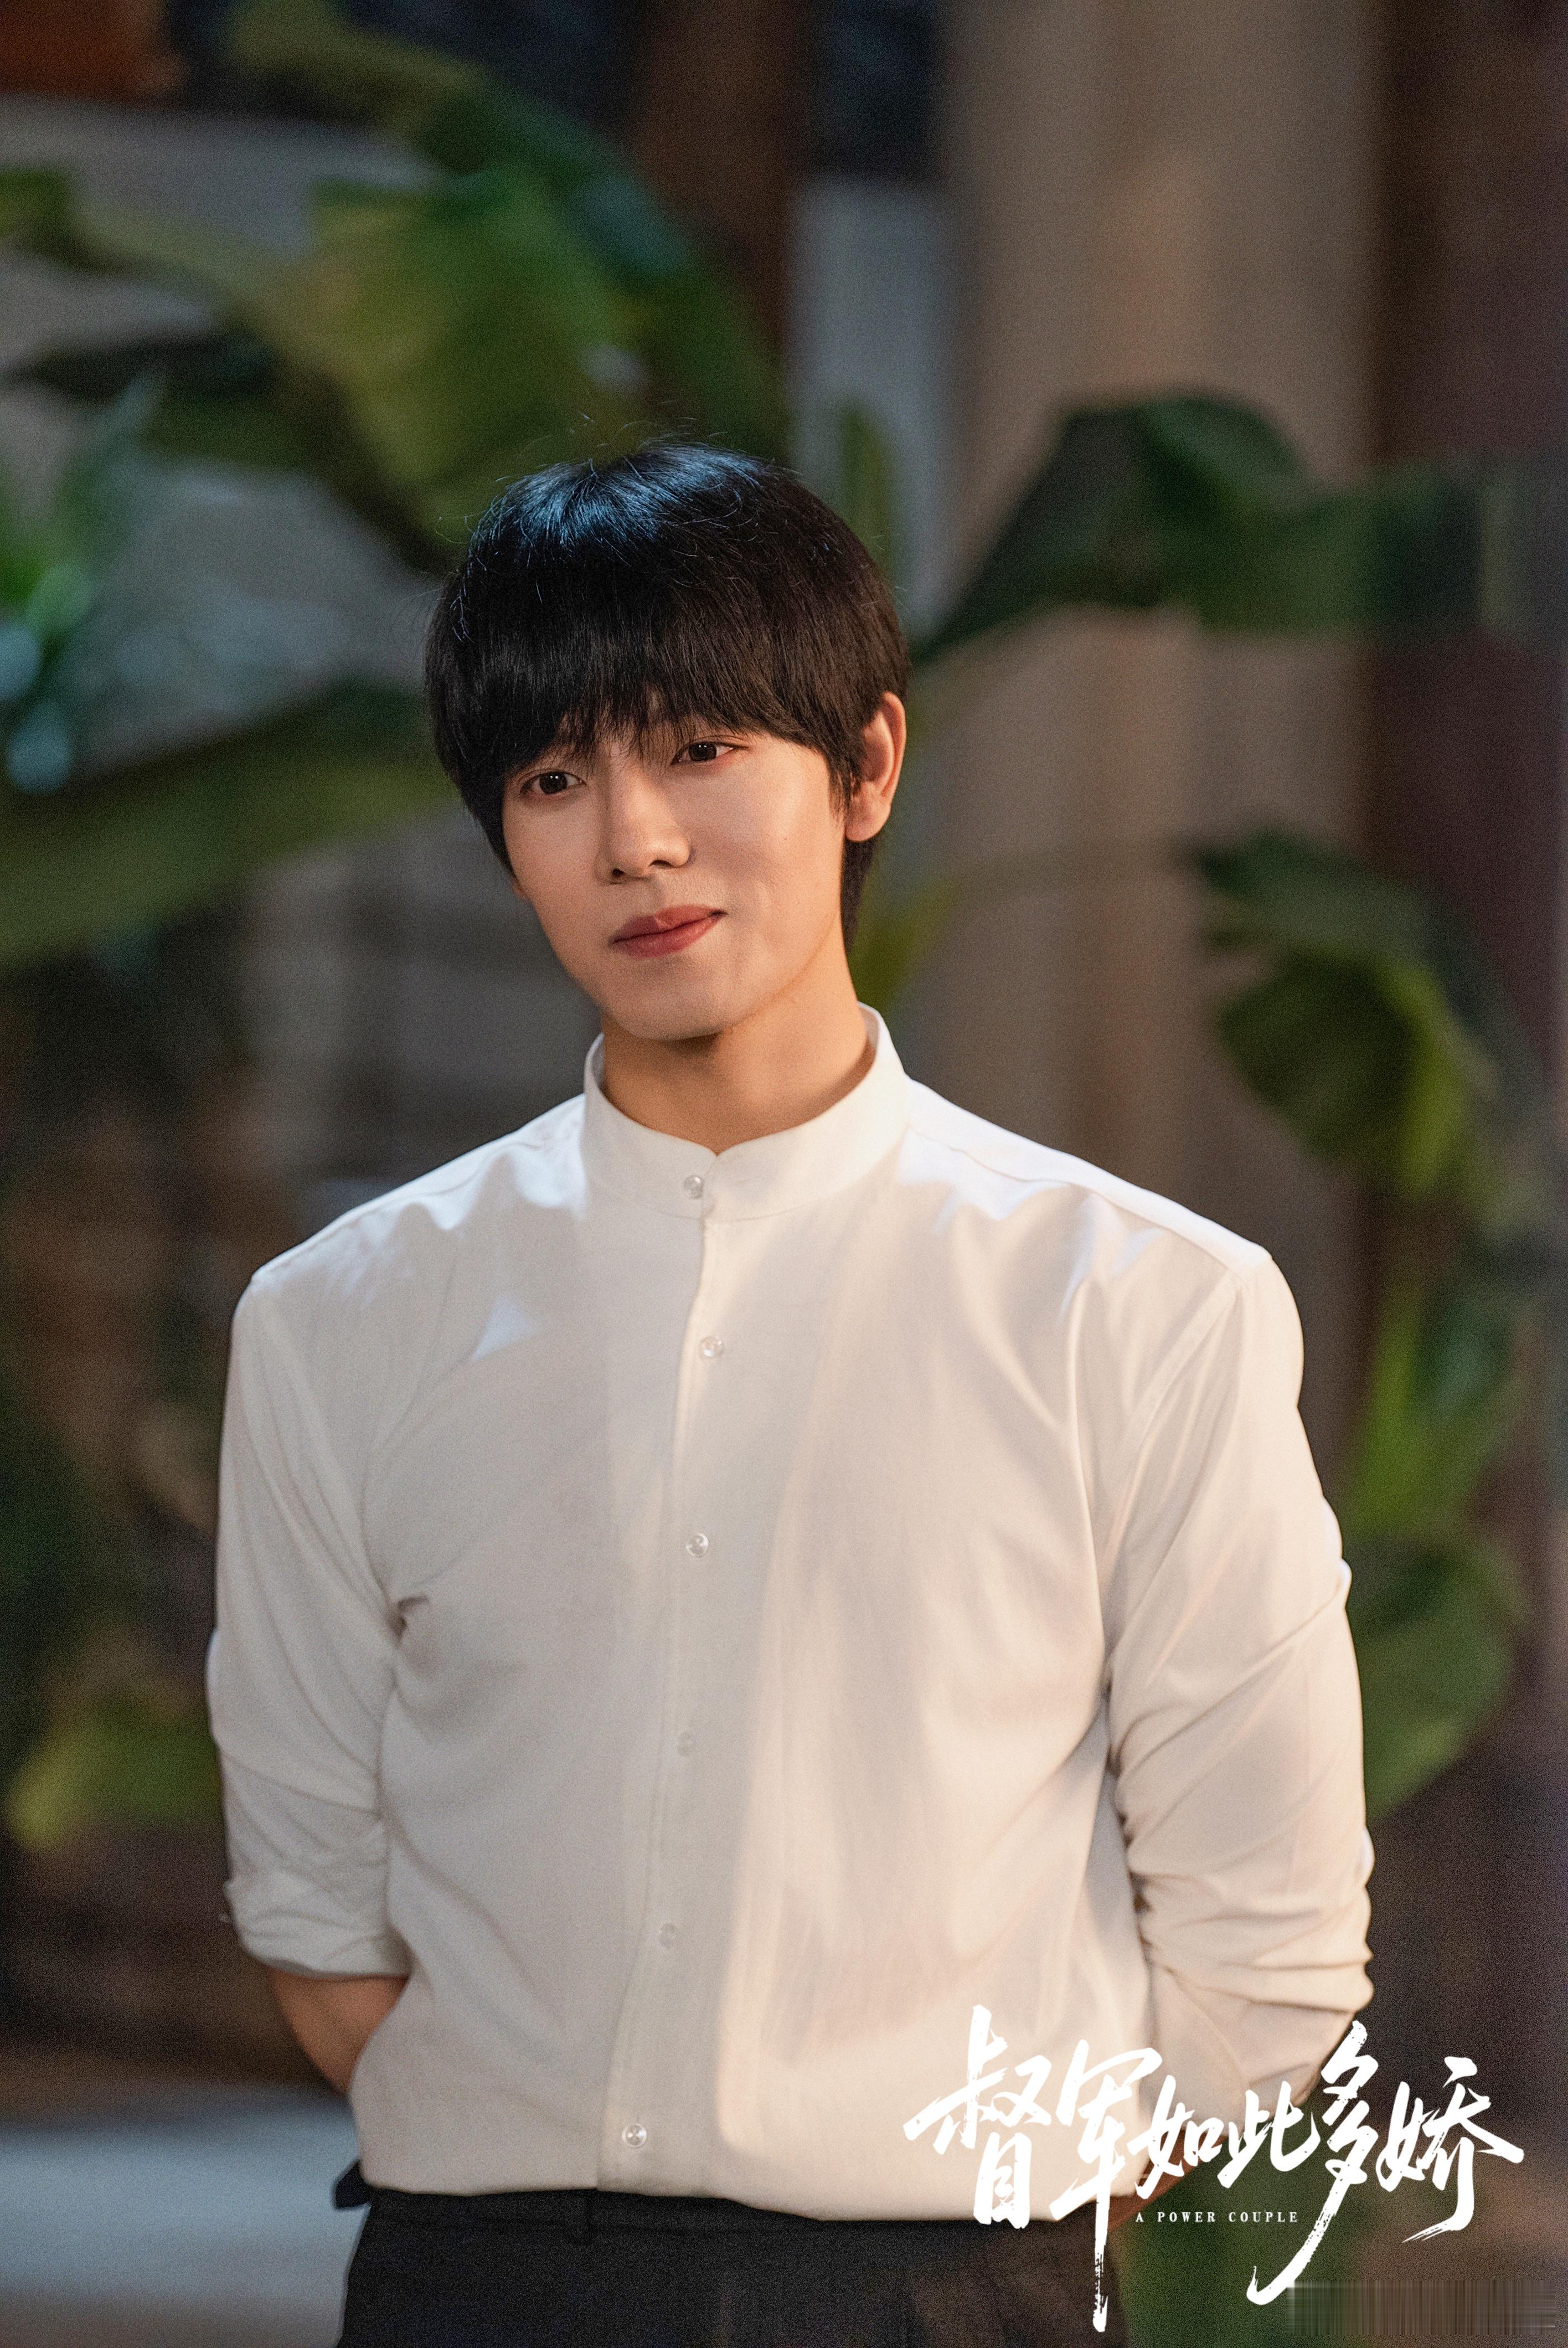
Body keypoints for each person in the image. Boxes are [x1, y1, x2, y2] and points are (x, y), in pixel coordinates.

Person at [205, 443, 1374, 2348]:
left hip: (942, 2285)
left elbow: (1270, 1946)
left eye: (700, 751)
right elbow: (320, 1906)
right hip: (477, 2284)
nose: (635, 842)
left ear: (868, 766)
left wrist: (986, 2244)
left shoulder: (1142, 1305)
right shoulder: (342, 1318)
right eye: (554, 779)